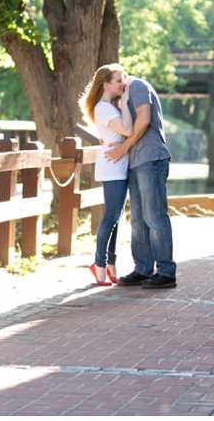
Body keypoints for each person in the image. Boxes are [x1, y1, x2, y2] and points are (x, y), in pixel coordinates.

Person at [103, 73, 176, 289]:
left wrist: (124, 147)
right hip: (136, 162)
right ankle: (143, 269)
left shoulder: (137, 86)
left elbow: (144, 119)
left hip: (150, 157)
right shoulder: (126, 94)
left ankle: (166, 271)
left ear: (122, 77)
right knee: (137, 219)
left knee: (155, 215)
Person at [78, 64, 133, 287]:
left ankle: (111, 264)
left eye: (124, 79)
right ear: (106, 85)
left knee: (116, 217)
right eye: (119, 81)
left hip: (119, 164)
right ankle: (98, 264)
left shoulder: (111, 105)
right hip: (112, 166)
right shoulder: (104, 107)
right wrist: (127, 100)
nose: (124, 84)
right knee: (111, 216)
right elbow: (128, 130)